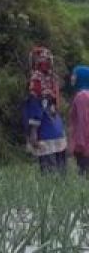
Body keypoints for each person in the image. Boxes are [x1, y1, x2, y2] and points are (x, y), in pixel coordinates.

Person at [24, 46, 68, 175]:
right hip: (58, 129)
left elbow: (36, 106)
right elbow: (55, 104)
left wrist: (33, 132)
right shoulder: (53, 78)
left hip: (44, 131)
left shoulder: (36, 78)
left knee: (49, 173)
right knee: (61, 172)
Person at [69, 64, 89, 176]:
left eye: (74, 75)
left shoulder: (81, 96)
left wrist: (80, 145)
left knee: (84, 176)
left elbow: (83, 121)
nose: (72, 77)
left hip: (85, 145)